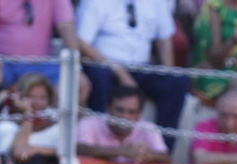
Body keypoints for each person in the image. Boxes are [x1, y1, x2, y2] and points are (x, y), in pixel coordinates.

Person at [76, 0, 189, 139]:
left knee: (177, 81)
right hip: (105, 66)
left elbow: (164, 40)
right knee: (99, 76)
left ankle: (162, 149)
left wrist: (167, 71)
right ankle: (98, 144)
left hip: (141, 68)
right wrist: (121, 73)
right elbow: (82, 43)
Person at [0, 0, 84, 104]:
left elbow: (66, 27)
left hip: (42, 65)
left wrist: (75, 65)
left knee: (79, 82)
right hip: (3, 64)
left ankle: (55, 127)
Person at [76, 85, 172, 164]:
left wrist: (148, 155)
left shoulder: (148, 128)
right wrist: (122, 151)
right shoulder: (89, 123)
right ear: (108, 108)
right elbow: (80, 149)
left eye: (132, 112)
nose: (125, 116)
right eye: (120, 110)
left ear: (140, 114)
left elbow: (166, 158)